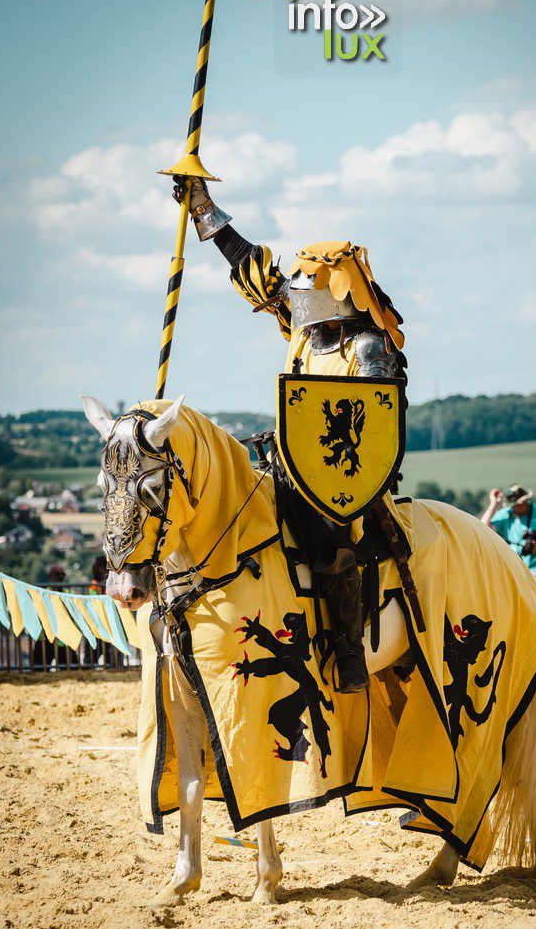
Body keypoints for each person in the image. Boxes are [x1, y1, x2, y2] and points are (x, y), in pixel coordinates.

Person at [173, 176, 406, 692]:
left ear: (337, 294)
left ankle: (347, 650)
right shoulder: (305, 330)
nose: (294, 298)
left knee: (331, 538)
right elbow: (250, 267)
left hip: (344, 480)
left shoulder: (366, 349)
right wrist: (203, 209)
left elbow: (373, 429)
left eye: (307, 291)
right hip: (292, 464)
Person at [481, 485, 536, 573]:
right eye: (516, 505)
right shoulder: (506, 514)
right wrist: (494, 504)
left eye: (522, 503)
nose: (519, 507)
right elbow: (482, 529)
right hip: (513, 569)